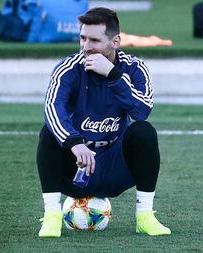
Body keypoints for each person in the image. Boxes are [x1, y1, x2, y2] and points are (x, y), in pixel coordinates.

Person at [37, 7, 171, 237]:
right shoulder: (68, 68)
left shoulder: (134, 67)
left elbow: (142, 110)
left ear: (115, 42)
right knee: (48, 132)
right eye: (82, 38)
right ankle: (52, 216)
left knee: (144, 132)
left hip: (113, 167)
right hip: (75, 166)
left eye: (94, 40)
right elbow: (52, 108)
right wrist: (74, 142)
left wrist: (113, 75)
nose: (86, 46)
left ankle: (145, 216)